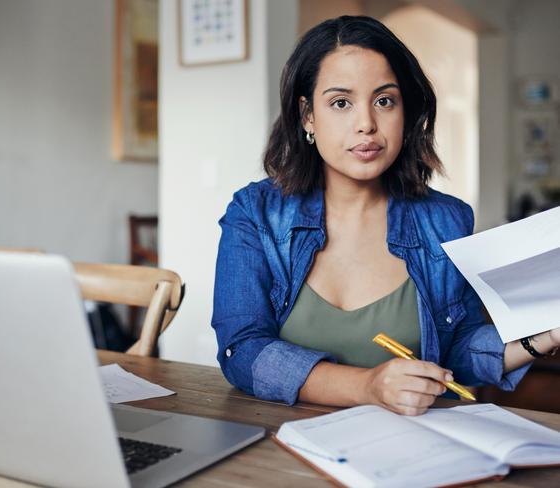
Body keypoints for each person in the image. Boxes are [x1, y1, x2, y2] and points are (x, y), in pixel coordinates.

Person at [211, 15, 560, 416]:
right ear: (308, 115)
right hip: (280, 447)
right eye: (341, 103)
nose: (366, 125)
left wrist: (545, 337)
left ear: (406, 112)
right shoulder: (255, 215)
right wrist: (368, 386)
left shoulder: (446, 221)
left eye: (384, 101)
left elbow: (456, 355)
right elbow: (243, 350)